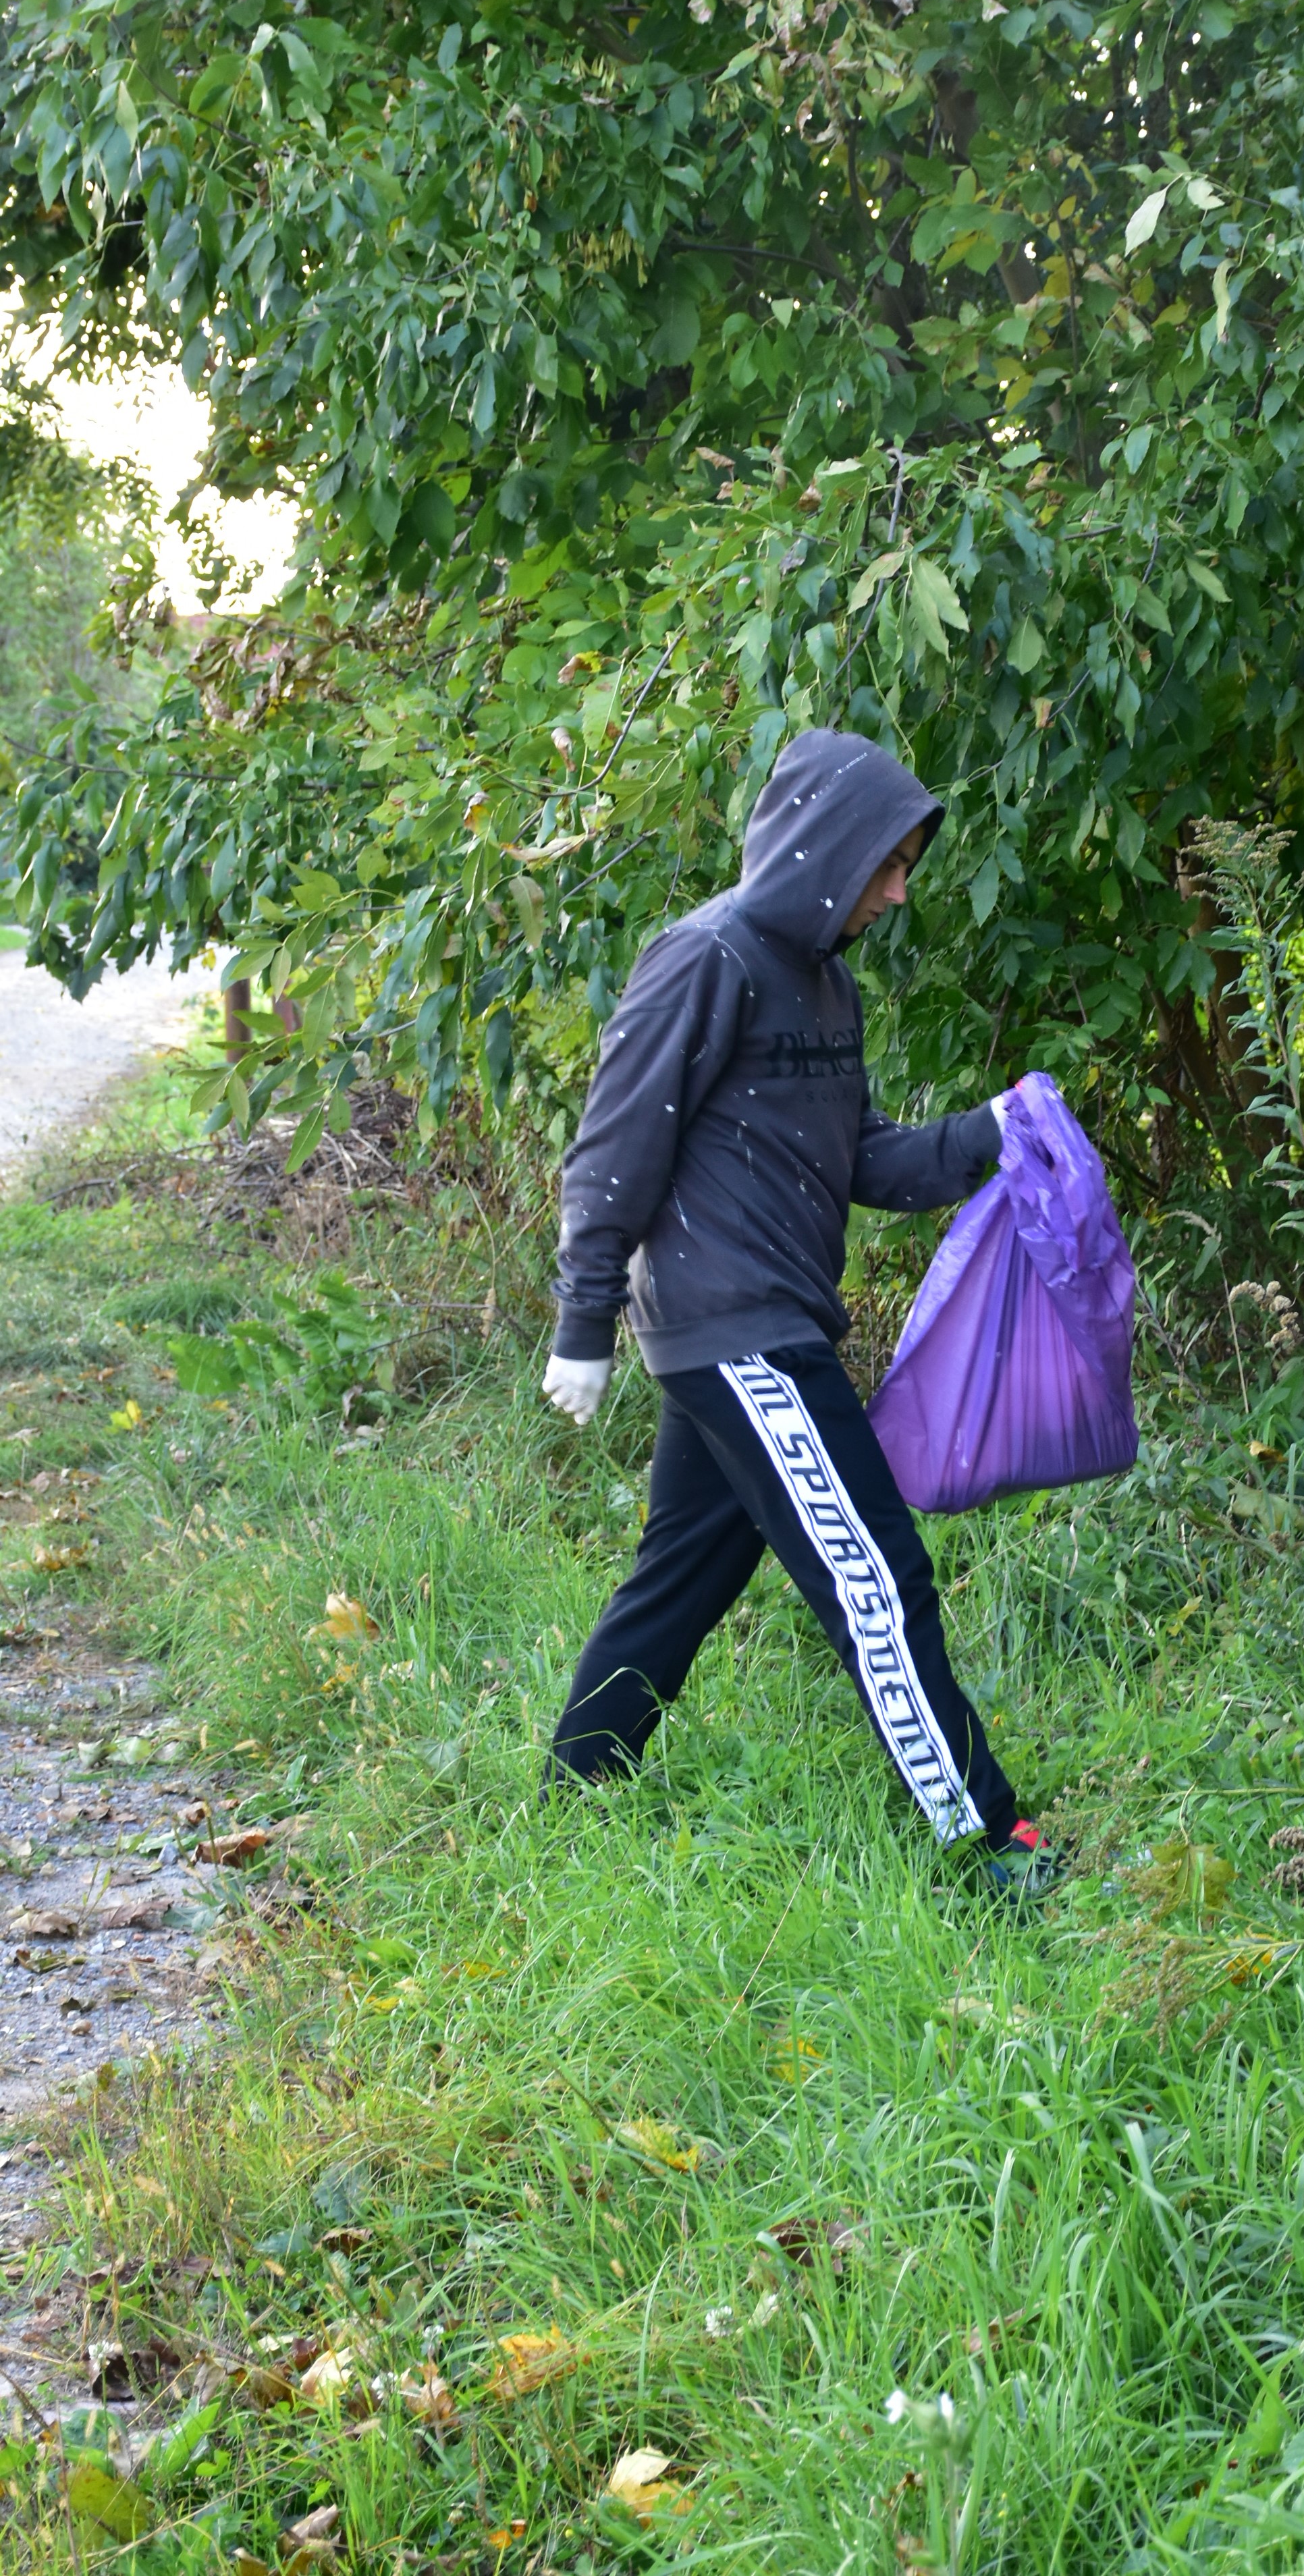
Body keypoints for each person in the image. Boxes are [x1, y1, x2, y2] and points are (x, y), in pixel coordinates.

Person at [540, 727, 1058, 1898]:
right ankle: (987, 1840)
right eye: (888, 861)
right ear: (829, 846)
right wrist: (584, 1321)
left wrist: (994, 1130)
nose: (898, 888)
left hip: (762, 1325)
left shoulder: (825, 982)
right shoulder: (706, 958)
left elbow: (860, 1160)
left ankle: (574, 1792)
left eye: (907, 862)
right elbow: (614, 1148)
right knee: (877, 1574)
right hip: (739, 1333)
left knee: (683, 1570)